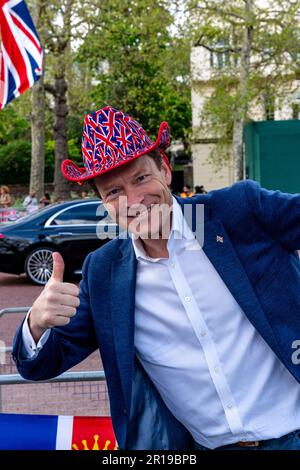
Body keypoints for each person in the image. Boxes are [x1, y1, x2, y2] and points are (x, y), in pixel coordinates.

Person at [13, 106, 300, 450]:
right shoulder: (103, 272)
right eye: (114, 192)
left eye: (140, 178)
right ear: (104, 203)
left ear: (164, 169)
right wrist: (36, 324)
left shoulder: (237, 211)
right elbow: (41, 364)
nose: (134, 200)